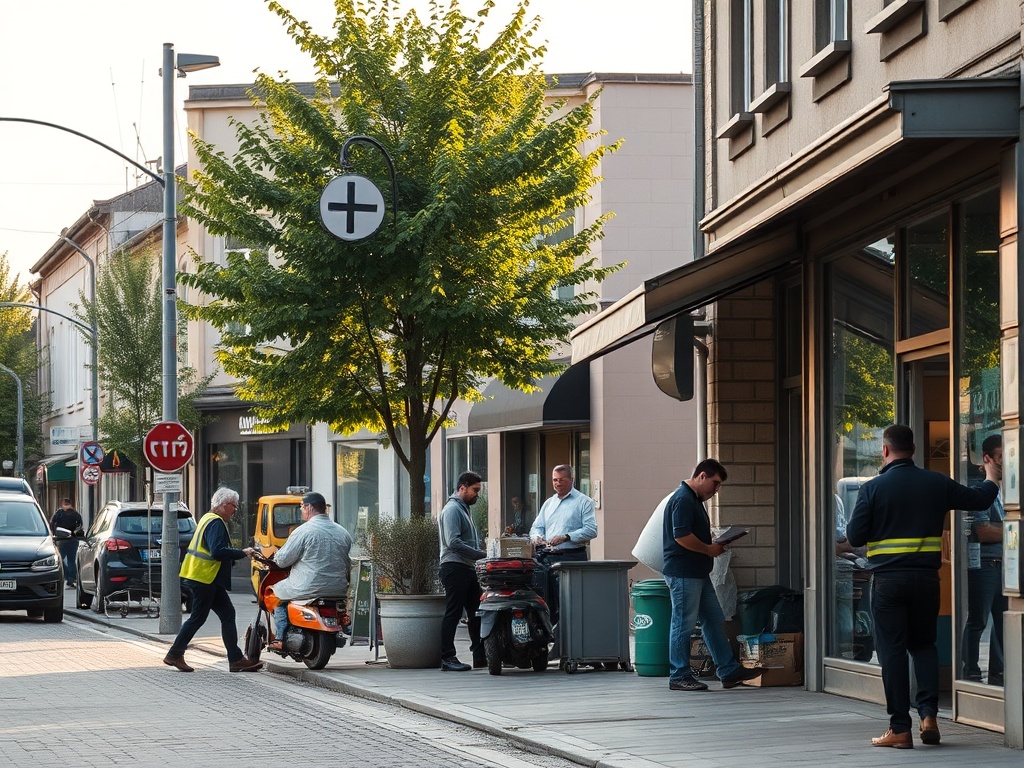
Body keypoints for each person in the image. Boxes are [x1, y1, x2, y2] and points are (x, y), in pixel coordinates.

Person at [847, 424, 1000, 749]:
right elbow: (980, 498)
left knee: (892, 652)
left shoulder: (872, 488)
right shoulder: (936, 483)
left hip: (888, 583)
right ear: (913, 450)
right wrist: (991, 474)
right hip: (926, 580)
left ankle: (900, 729)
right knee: (923, 646)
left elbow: (855, 536)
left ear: (885, 450)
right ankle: (929, 716)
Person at [662, 458, 764, 692]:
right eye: (715, 483)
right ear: (701, 476)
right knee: (683, 623)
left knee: (713, 619)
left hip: (697, 572)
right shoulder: (683, 499)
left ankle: (728, 670)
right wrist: (709, 549)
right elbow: (681, 536)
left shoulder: (693, 499)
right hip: (685, 573)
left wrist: (712, 542)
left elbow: (688, 534)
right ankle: (679, 675)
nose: (716, 489)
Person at [164, 487, 263, 673]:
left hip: (206, 578)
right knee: (198, 618)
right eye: (234, 506)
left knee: (227, 614)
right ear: (224, 505)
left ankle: (235, 659)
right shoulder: (215, 523)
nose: (235, 510)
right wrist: (242, 553)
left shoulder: (206, 518)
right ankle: (175, 654)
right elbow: (217, 551)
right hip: (204, 578)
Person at [268, 491, 353, 647]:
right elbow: (348, 563)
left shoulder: (303, 531)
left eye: (301, 506)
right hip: (338, 589)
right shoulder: (343, 532)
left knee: (277, 593)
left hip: (308, 588)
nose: (301, 510)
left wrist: (275, 556)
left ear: (309, 507)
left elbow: (282, 560)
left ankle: (280, 638)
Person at [960, 433, 1006, 687]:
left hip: (1004, 563)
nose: (1005, 463)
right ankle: (971, 670)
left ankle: (999, 671)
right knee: (978, 620)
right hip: (984, 564)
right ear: (987, 459)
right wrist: (1013, 530)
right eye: (1000, 457)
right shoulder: (979, 490)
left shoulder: (1007, 489)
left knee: (1003, 622)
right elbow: (983, 530)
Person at [529, 464, 597, 626]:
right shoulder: (549, 503)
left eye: (561, 480)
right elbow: (536, 526)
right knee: (546, 600)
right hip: (547, 557)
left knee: (569, 601)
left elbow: (591, 530)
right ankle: (550, 633)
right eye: (555, 480)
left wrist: (566, 537)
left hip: (571, 557)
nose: (557, 483)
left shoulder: (584, 502)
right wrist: (537, 537)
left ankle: (570, 635)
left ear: (571, 480)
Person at [438, 471, 487, 671]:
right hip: (454, 567)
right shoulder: (452, 509)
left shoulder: (464, 509)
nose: (477, 495)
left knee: (477, 612)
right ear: (462, 488)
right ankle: (447, 658)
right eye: (475, 490)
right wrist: (481, 555)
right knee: (454, 612)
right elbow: (453, 543)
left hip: (466, 567)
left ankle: (480, 656)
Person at [49, 498, 83, 588]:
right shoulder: (76, 515)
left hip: (61, 540)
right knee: (71, 560)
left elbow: (52, 523)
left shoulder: (59, 513)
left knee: (60, 559)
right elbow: (80, 526)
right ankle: (71, 578)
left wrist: (54, 533)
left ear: (63, 505)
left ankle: (67, 575)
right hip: (73, 540)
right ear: (71, 504)